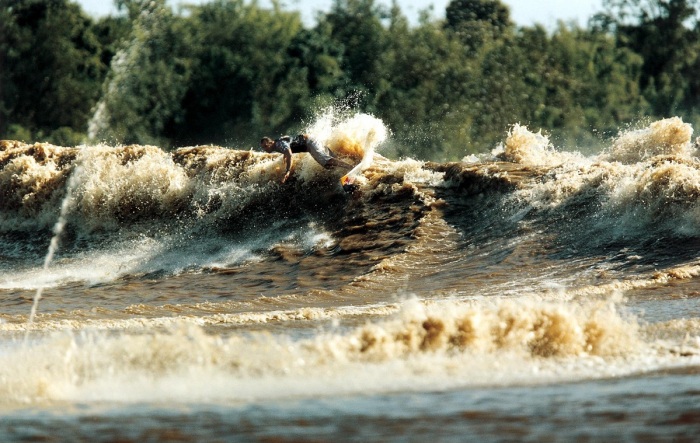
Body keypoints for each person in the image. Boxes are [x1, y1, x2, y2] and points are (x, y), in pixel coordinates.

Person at [260, 134, 353, 183]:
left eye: (266, 146)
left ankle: (351, 167)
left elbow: (289, 153)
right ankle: (348, 172)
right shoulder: (278, 143)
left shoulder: (279, 144)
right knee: (328, 166)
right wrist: (285, 155)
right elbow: (288, 140)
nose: (265, 149)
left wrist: (287, 171)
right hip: (309, 143)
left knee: (325, 161)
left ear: (271, 142)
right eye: (263, 147)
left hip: (310, 142)